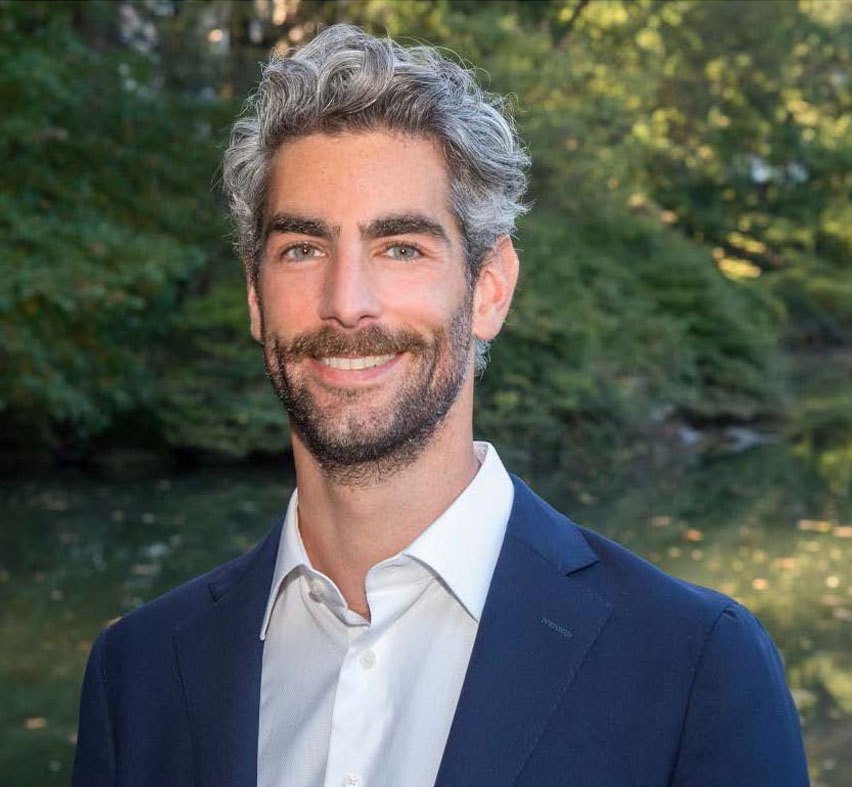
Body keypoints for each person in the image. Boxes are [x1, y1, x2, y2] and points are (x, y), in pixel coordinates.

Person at [71, 23, 809, 787]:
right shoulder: (139, 674)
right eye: (302, 248)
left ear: (489, 288)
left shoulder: (693, 667)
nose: (346, 302)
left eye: (401, 247)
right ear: (256, 296)